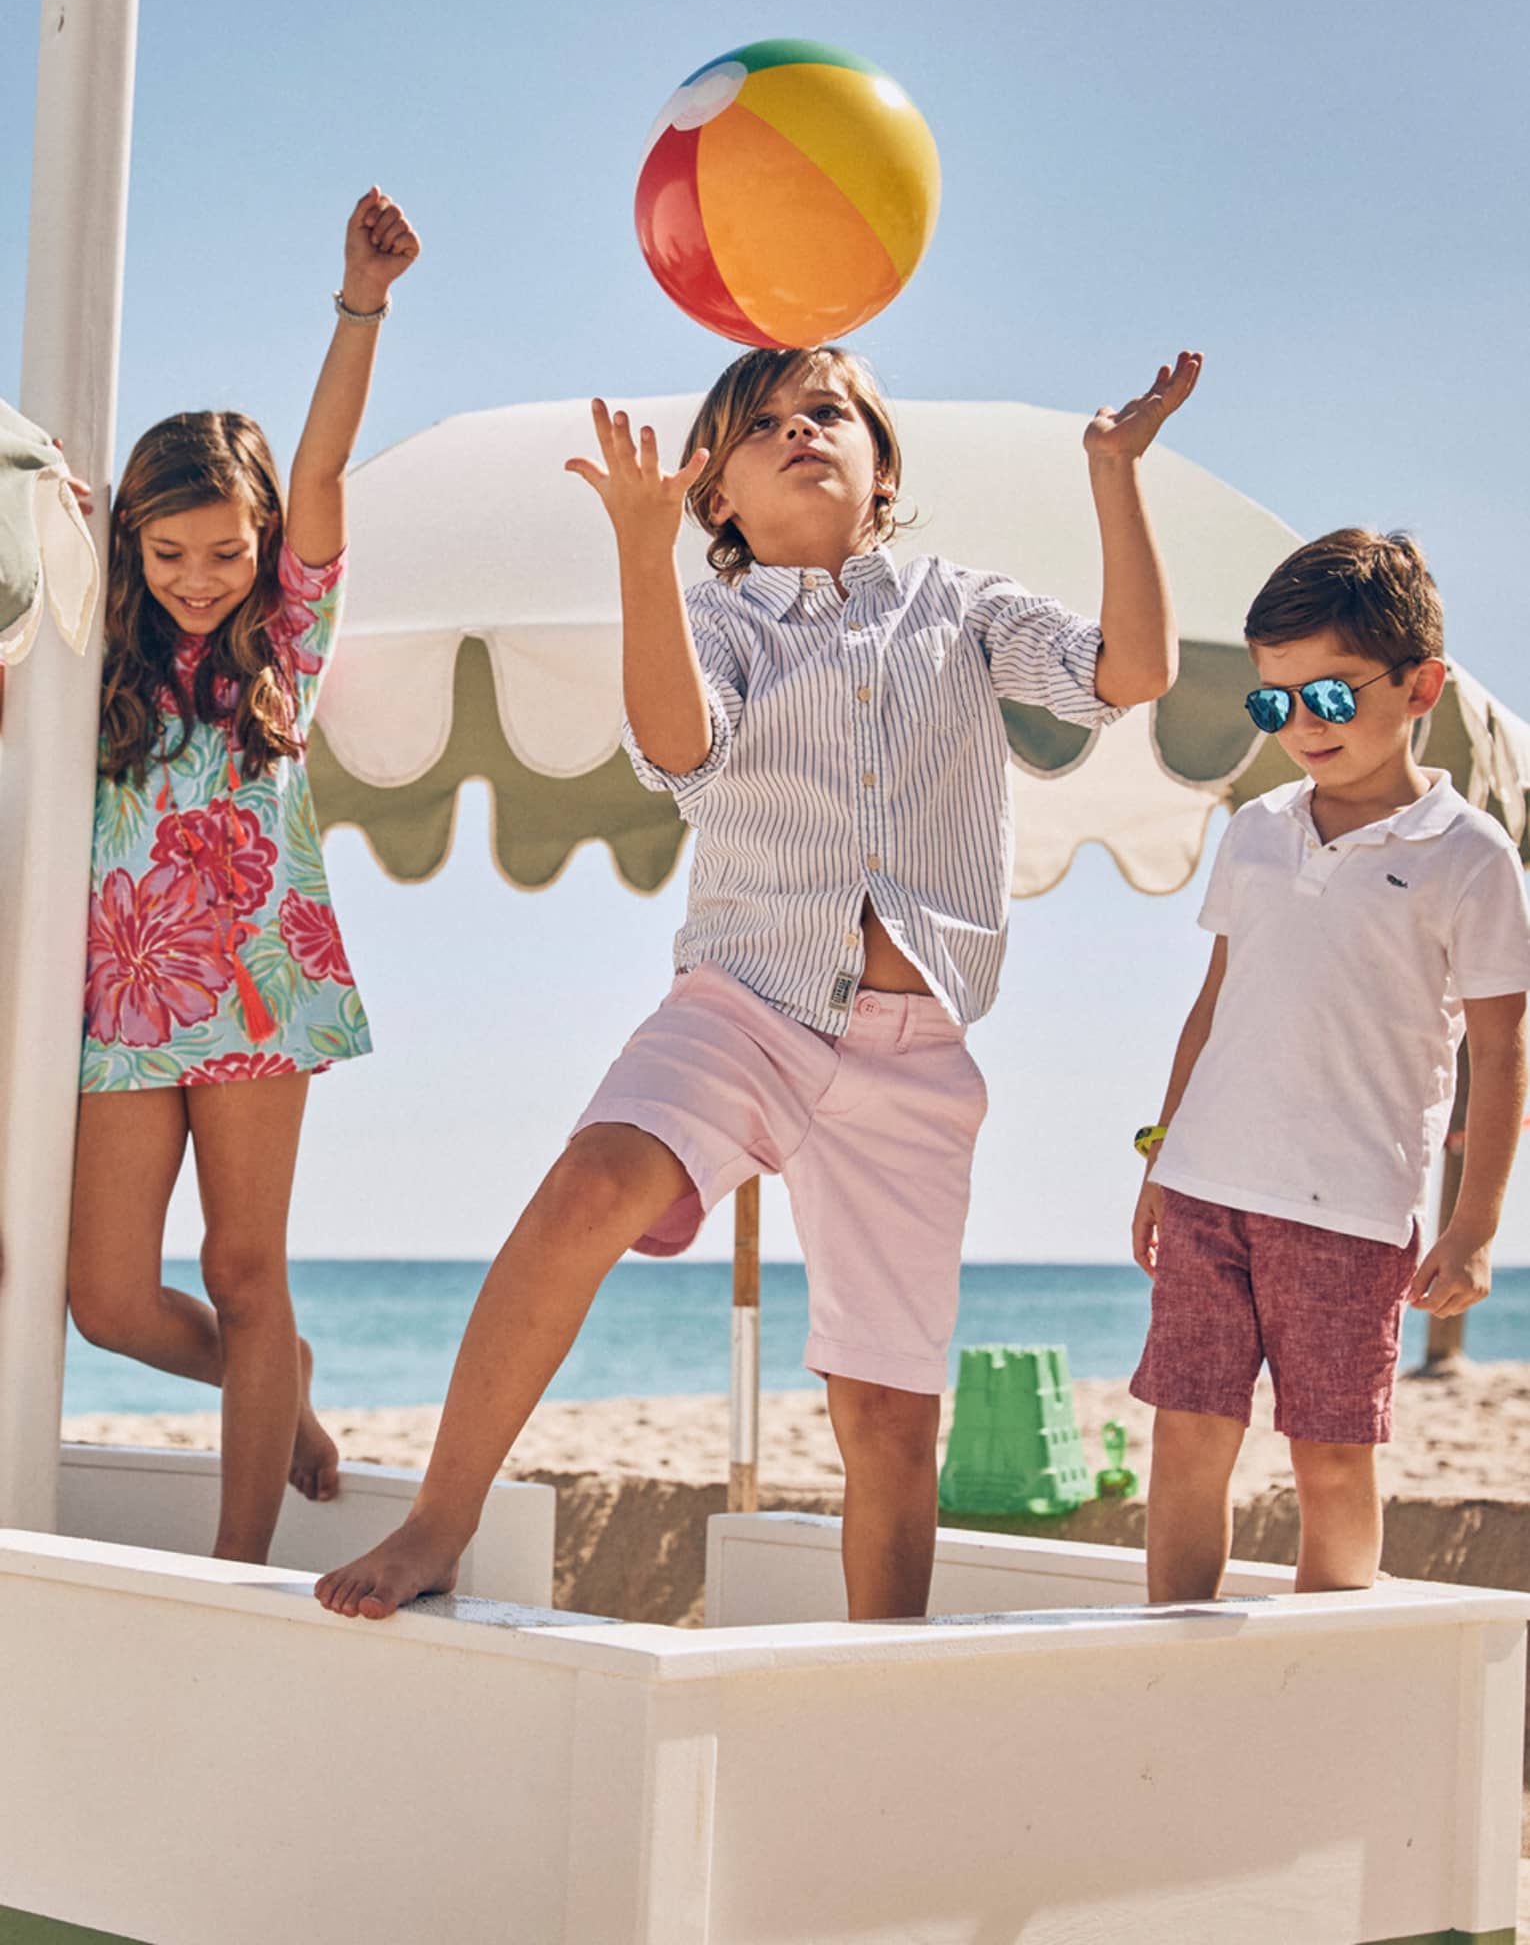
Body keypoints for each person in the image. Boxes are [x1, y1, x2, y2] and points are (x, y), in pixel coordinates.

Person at [317, 339, 1199, 1620]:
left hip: (918, 1045)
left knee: (889, 1423)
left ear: (880, 467)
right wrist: (637, 552)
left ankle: (882, 1685)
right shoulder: (717, 621)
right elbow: (685, 748)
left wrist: (1114, 474)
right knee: (586, 1190)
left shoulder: (962, 605)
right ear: (714, 497)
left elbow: (1129, 674)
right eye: (766, 422)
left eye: (829, 411)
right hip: (744, 1002)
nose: (802, 429)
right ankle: (439, 1525)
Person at [65, 188, 420, 1563]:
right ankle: (284, 1401)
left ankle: (240, 1565)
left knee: (241, 1271)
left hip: (261, 989)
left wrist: (360, 303)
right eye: (168, 554)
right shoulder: (100, 664)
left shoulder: (286, 638)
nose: (199, 577)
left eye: (225, 550)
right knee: (106, 1298)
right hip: (125, 1003)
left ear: (263, 541)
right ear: (130, 548)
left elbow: (323, 468)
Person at [1130, 529, 1530, 1601]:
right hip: (1209, 1187)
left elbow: (1501, 1050)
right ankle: (1167, 1664)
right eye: (1275, 702)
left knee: (1333, 1455)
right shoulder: (1256, 831)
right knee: (1185, 1442)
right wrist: (1159, 1159)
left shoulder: (1470, 857)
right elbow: (1214, 1004)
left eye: (1334, 697)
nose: (1303, 726)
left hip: (1349, 1210)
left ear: (1421, 687)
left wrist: (1479, 1223)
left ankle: (1333, 1674)